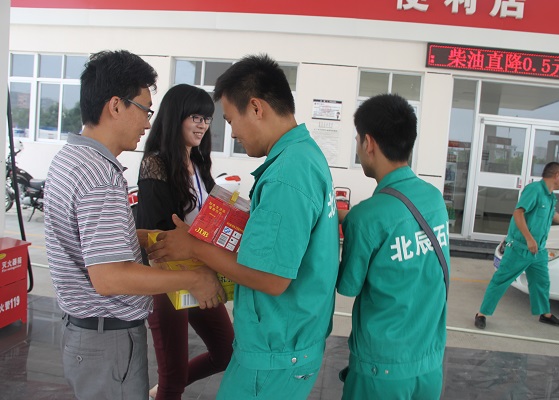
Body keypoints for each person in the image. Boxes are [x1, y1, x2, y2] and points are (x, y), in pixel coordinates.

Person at [147, 54, 340, 399]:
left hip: (274, 353)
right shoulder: (306, 155)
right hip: (290, 342)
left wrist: (193, 247)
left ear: (255, 107)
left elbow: (271, 279)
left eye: (230, 120)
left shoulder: (285, 176)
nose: (232, 133)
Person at [44, 50, 226, 400]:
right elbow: (109, 277)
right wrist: (193, 278)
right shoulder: (100, 176)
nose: (147, 123)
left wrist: (141, 236)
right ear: (116, 105)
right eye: (144, 109)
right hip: (107, 340)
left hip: (89, 334)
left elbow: (88, 242)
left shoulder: (71, 159)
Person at [336, 93, 450, 400]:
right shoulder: (434, 199)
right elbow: (399, 223)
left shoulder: (367, 217)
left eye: (358, 139)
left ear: (369, 143)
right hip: (429, 366)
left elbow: (348, 286)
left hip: (380, 373)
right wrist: (349, 218)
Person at [135, 84, 234, 400]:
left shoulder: (200, 164)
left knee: (226, 351)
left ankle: (162, 390)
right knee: (173, 376)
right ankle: (166, 389)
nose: (203, 125)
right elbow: (155, 232)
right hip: (168, 278)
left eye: (207, 118)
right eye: (195, 117)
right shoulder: (156, 163)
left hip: (200, 273)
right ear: (175, 117)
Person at [474, 162, 559, 329]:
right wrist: (529, 239)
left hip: (539, 250)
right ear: (557, 176)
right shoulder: (534, 190)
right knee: (501, 281)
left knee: (541, 282)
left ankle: (545, 314)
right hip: (520, 248)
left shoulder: (550, 196)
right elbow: (518, 213)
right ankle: (481, 314)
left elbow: (551, 213)